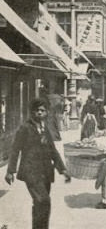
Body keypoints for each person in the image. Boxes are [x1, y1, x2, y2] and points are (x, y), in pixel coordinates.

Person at [5, 98, 71, 229]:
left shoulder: (45, 128)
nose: (39, 113)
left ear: (46, 112)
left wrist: (62, 170)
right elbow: (15, 149)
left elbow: (53, 150)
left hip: (46, 172)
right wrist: (10, 171)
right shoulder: (25, 128)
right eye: (37, 110)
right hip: (31, 171)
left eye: (43, 110)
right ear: (32, 112)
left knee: (40, 204)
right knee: (43, 200)